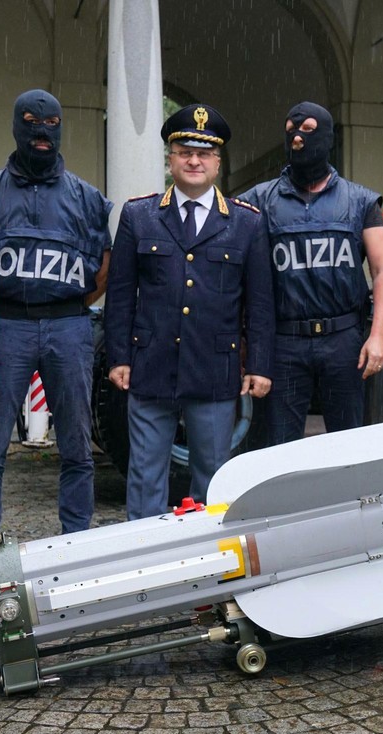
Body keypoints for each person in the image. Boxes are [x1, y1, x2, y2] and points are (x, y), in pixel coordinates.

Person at [105, 103, 274, 519]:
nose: (194, 161)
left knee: (212, 477)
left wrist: (260, 365)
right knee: (144, 475)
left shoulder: (247, 223)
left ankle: (206, 563)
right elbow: (122, 294)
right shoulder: (138, 216)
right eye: (184, 152)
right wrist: (118, 357)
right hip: (150, 365)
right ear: (171, 159)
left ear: (217, 163)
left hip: (214, 367)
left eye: (204, 154)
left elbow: (260, 302)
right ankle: (142, 558)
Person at [0, 90, 111, 550]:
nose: (41, 131)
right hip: (5, 325)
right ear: (15, 124)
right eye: (30, 121)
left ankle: (76, 543)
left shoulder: (87, 198)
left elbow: (104, 264)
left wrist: (69, 304)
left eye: (51, 122)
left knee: (76, 444)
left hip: (69, 325)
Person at [240, 102, 383, 444]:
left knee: (348, 446)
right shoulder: (257, 201)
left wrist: (378, 335)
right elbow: (234, 269)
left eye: (308, 129)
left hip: (344, 341)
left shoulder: (360, 201)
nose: (297, 138)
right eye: (291, 129)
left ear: (326, 136)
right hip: (284, 343)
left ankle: (347, 500)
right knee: (279, 449)